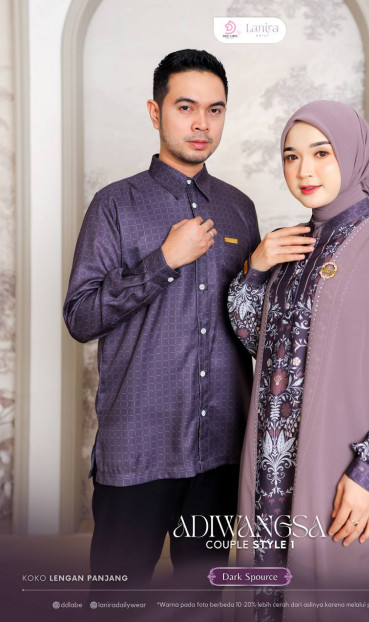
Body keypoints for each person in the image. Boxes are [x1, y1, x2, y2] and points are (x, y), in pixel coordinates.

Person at [228, 101, 369, 622]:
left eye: (321, 153)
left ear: (353, 153)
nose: (304, 170)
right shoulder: (289, 247)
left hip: (340, 466)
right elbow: (260, 341)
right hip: (270, 472)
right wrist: (256, 269)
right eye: (291, 156)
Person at [63, 49, 260, 592]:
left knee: (202, 601)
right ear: (156, 112)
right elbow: (80, 317)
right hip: (138, 449)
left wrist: (263, 275)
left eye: (215, 110)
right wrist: (164, 261)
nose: (202, 124)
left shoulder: (240, 209)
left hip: (220, 449)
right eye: (185, 107)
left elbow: (249, 323)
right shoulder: (114, 205)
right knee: (116, 599)